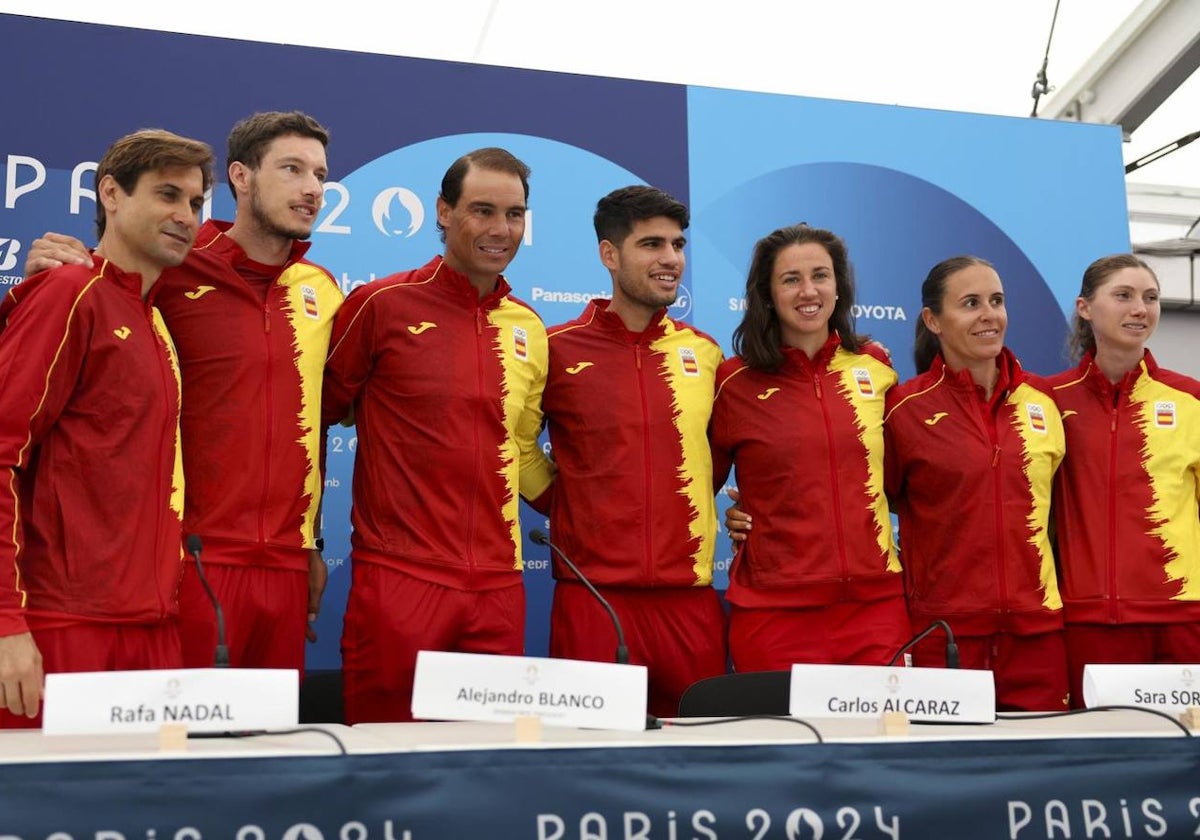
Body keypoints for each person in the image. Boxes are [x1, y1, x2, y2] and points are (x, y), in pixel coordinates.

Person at [24, 112, 341, 673]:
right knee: (177, 749)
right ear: (242, 178)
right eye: (292, 169)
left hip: (288, 569)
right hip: (188, 562)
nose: (311, 188)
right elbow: (99, 293)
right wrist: (50, 268)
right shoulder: (171, 265)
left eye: (319, 173)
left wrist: (311, 542)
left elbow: (316, 417)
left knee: (268, 752)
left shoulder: (322, 290)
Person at [322, 147, 551, 723]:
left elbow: (521, 455)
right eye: (482, 210)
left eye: (515, 214)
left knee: (488, 770)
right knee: (384, 762)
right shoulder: (380, 305)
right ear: (443, 212)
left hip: (500, 584)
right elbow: (311, 419)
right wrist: (308, 544)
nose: (501, 230)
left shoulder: (529, 327)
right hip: (401, 579)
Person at [0, 129, 213, 725]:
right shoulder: (69, 294)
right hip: (61, 628)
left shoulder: (155, 322)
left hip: (150, 629)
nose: (185, 216)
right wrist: (6, 623)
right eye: (167, 195)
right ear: (112, 194)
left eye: (196, 203)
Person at [529, 186, 725, 718]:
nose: (670, 259)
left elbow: (723, 455)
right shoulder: (557, 347)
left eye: (678, 245)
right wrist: (571, 504)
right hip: (593, 597)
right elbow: (519, 446)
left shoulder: (705, 353)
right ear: (609, 255)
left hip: (689, 599)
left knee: (703, 755)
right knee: (586, 759)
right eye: (652, 244)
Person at [709, 224, 907, 673]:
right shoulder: (734, 382)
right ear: (767, 294)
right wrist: (736, 513)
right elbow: (698, 482)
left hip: (874, 610)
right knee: (780, 743)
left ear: (839, 287)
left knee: (881, 743)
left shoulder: (875, 368)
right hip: (773, 611)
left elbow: (901, 481)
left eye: (820, 275)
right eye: (790, 279)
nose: (808, 291)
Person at [883, 255, 1067, 710]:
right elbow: (861, 501)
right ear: (933, 320)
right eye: (970, 303)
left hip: (1036, 632)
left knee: (1044, 775)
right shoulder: (906, 409)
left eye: (997, 301)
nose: (989, 315)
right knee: (949, 774)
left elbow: (1065, 514)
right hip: (944, 634)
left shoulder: (1042, 400)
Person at [1045, 254, 1200, 706]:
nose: (1140, 309)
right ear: (1085, 307)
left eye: (1150, 298)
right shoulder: (1047, 400)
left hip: (1182, 618)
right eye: (1124, 296)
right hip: (1088, 621)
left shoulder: (1189, 398)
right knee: (1100, 761)